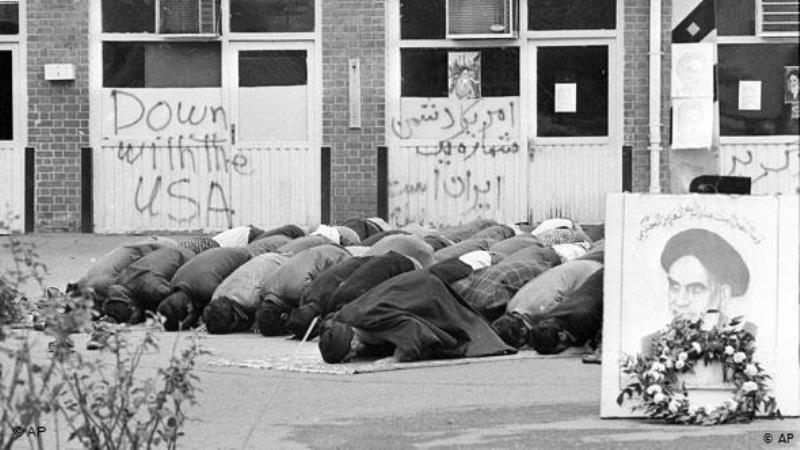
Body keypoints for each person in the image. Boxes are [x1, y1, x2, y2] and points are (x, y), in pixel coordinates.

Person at [318, 270, 515, 363]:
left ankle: (500, 334)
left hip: (425, 292)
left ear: (352, 343)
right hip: (411, 285)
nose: (354, 357)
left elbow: (414, 333)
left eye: (350, 356)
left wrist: (395, 359)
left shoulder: (370, 319)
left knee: (462, 326)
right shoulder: (346, 318)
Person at [492, 259, 603, 348]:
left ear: (523, 330)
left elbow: (573, 316)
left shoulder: (545, 308)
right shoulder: (511, 307)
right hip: (576, 266)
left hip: (591, 273)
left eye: (522, 343)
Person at [255, 244, 352, 336]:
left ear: (284, 316)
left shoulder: (297, 292)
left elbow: (321, 300)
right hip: (325, 251)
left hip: (339, 257)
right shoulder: (264, 289)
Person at [659, 228, 749, 326]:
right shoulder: (652, 340)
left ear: (723, 295)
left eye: (695, 290)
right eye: (675, 287)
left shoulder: (746, 337)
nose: (680, 302)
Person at [527, 268, 604, 356]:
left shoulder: (584, 318)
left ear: (562, 336)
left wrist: (588, 348)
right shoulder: (553, 317)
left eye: (559, 350)